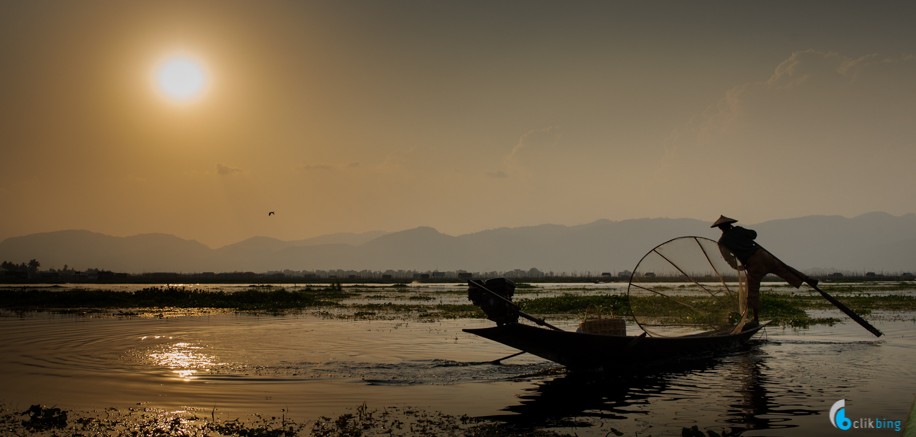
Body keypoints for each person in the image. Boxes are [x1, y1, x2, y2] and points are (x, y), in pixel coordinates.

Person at [711, 215, 816, 324]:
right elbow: (753, 234)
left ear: (720, 228)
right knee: (785, 269)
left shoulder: (722, 242)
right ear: (729, 224)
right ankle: (807, 279)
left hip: (753, 262)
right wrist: (741, 232)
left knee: (753, 290)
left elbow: (728, 259)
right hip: (763, 254)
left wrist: (738, 267)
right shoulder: (738, 230)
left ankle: (756, 319)